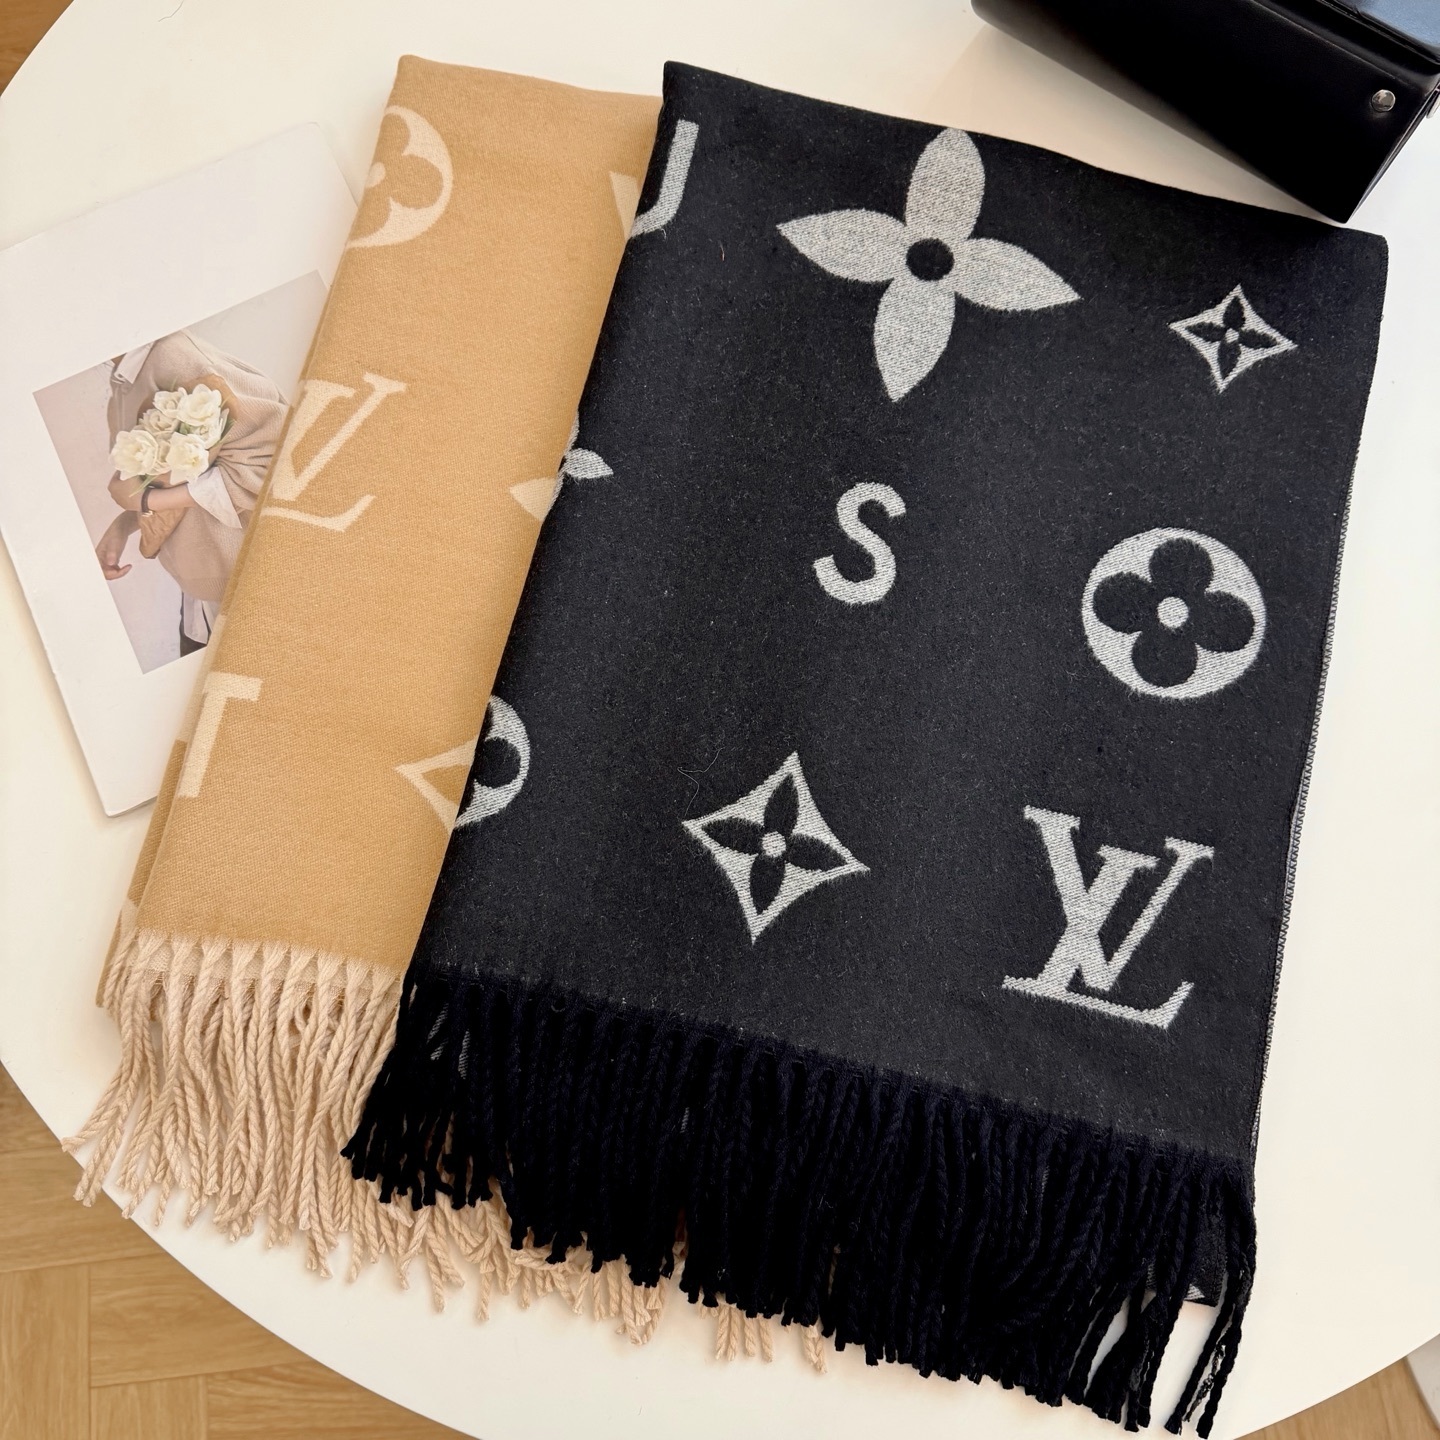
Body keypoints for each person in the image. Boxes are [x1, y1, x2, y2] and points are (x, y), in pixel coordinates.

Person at [94, 329, 287, 654]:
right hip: (199, 599)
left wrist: (146, 500)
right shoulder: (122, 383)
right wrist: (123, 525)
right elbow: (170, 480)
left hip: (251, 594)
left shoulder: (175, 357)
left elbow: (274, 463)